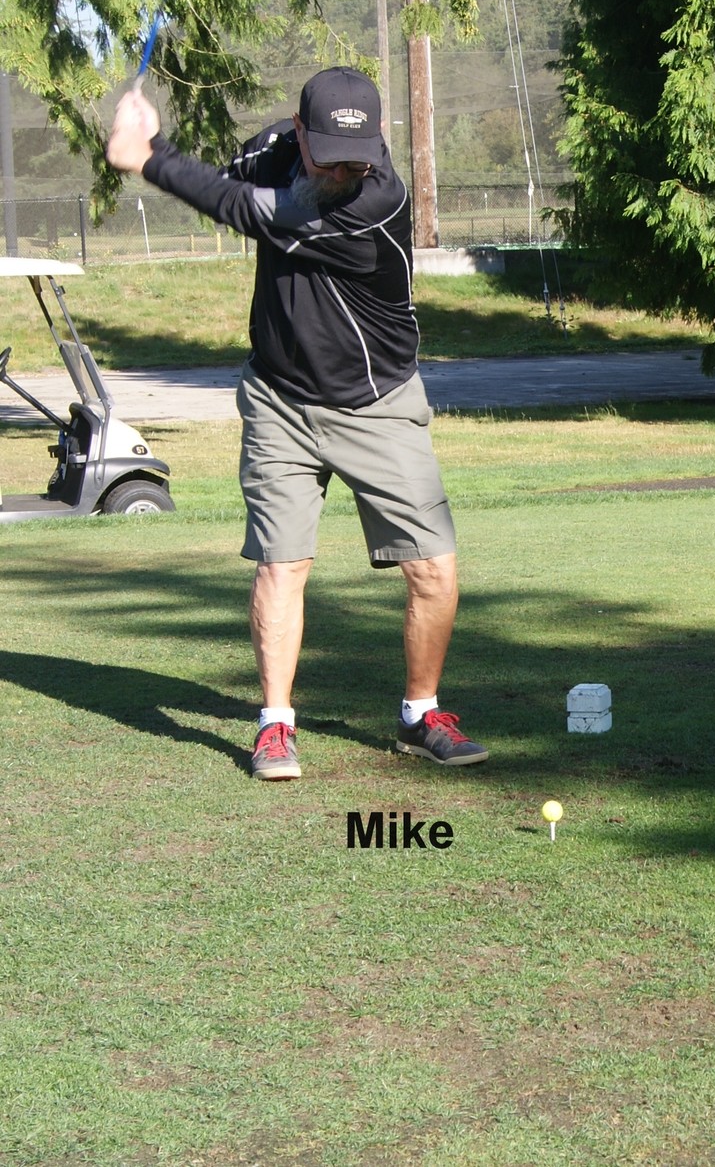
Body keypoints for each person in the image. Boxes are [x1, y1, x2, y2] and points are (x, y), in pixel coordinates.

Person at [106, 67, 488, 780]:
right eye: (330, 157)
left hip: (377, 402)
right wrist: (150, 139)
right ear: (300, 136)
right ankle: (275, 725)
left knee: (434, 568)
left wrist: (150, 156)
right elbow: (229, 189)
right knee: (282, 564)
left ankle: (420, 713)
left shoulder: (376, 199)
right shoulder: (271, 150)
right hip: (280, 399)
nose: (344, 171)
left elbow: (245, 209)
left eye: (357, 158)